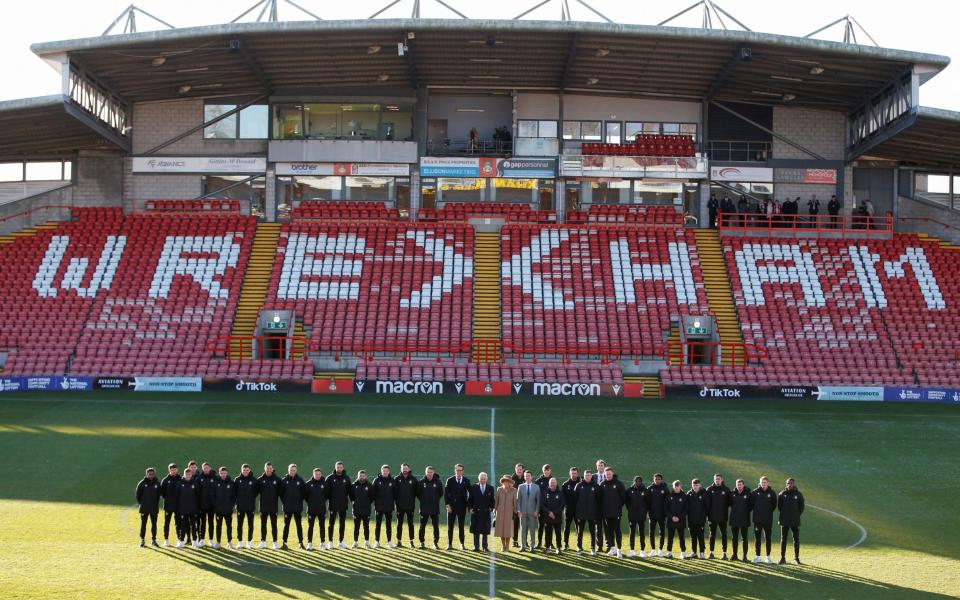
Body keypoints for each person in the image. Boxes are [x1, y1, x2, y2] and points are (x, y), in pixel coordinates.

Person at [598, 467, 626, 557]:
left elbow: (623, 498)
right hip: (606, 513)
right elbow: (600, 498)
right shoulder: (602, 484)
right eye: (606, 475)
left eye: (609, 474)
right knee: (608, 531)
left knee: (617, 530)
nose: (608, 476)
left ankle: (619, 550)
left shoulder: (619, 484)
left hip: (616, 512)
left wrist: (617, 507)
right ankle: (612, 548)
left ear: (612, 473)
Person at [778, 478, 805, 564]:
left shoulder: (798, 494)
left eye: (791, 483)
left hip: (795, 520)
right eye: (788, 483)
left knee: (796, 539)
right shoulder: (782, 494)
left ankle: (796, 558)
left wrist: (796, 515)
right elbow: (780, 507)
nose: (789, 485)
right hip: (784, 520)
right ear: (786, 484)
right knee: (783, 539)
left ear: (794, 484)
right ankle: (782, 558)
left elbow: (801, 507)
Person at [573, 468, 600, 556]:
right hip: (581, 513)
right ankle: (579, 547)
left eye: (589, 475)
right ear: (583, 476)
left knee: (592, 531)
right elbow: (575, 500)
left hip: (592, 513)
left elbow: (598, 499)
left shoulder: (595, 486)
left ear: (591, 476)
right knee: (580, 531)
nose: (587, 477)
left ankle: (592, 548)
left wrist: (596, 512)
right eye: (586, 475)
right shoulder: (579, 485)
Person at [325, 461, 352, 549]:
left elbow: (349, 491)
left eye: (341, 467)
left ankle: (341, 542)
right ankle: (330, 542)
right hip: (333, 505)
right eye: (338, 467)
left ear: (343, 468)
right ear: (335, 467)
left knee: (342, 523)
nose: (339, 469)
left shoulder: (346, 478)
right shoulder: (330, 478)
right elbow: (326, 492)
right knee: (331, 524)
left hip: (343, 505)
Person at [444, 463, 470, 550]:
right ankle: (449, 544)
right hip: (451, 507)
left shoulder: (466, 480)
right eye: (457, 470)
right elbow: (446, 494)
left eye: (460, 470)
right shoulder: (450, 480)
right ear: (455, 470)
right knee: (450, 526)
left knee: (461, 526)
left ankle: (462, 544)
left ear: (463, 471)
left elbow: (471, 493)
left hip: (462, 507)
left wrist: (468, 505)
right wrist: (447, 505)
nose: (458, 472)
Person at [280, 464, 306, 550]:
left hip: (298, 508)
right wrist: (286, 502)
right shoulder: (284, 481)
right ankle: (284, 543)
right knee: (286, 525)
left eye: (294, 470)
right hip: (287, 508)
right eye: (291, 470)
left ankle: (301, 543)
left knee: (299, 525)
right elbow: (281, 494)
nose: (292, 472)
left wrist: (298, 501)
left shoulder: (300, 480)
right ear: (288, 470)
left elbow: (304, 493)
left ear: (296, 470)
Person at [417, 466, 444, 549]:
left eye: (431, 472)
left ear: (433, 473)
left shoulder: (438, 482)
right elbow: (418, 494)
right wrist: (424, 500)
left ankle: (435, 543)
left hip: (434, 508)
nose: (429, 474)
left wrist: (434, 500)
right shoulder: (421, 482)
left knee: (435, 526)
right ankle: (422, 542)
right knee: (422, 526)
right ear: (425, 472)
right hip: (424, 508)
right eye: (428, 472)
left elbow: (441, 493)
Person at [752, 476, 777, 564]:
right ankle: (758, 556)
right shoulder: (755, 492)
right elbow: (751, 504)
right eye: (762, 482)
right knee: (757, 538)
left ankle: (768, 557)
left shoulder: (772, 493)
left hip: (768, 520)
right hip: (757, 520)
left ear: (768, 483)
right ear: (760, 483)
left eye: (765, 482)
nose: (764, 484)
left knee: (768, 538)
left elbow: (774, 505)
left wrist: (767, 512)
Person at [706, 473, 731, 559]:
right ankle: (711, 553)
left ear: (722, 480)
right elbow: (707, 503)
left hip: (723, 516)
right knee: (712, 534)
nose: (717, 480)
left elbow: (729, 503)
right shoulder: (709, 489)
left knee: (723, 534)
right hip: (711, 517)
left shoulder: (726, 490)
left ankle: (724, 553)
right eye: (716, 479)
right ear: (714, 480)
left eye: (719, 479)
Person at [257, 462, 281, 549]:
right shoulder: (260, 479)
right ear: (265, 469)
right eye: (267, 468)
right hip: (263, 506)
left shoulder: (277, 480)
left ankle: (275, 542)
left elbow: (280, 492)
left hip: (273, 506)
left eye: (270, 468)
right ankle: (263, 541)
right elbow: (257, 491)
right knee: (263, 525)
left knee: (274, 525)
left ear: (272, 468)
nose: (269, 470)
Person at [625, 475, 651, 557]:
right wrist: (630, 510)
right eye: (636, 481)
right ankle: (632, 550)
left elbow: (648, 502)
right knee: (632, 533)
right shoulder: (629, 490)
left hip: (641, 515)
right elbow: (627, 501)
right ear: (634, 481)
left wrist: (644, 511)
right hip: (632, 515)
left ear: (641, 482)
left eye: (639, 481)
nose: (638, 482)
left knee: (641, 533)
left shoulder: (645, 490)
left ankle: (642, 550)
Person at [135, 467, 161, 547]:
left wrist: (155, 503)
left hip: (154, 508)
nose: (151, 476)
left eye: (152, 474)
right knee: (143, 524)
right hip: (144, 508)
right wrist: (142, 503)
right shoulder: (142, 483)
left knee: (154, 524)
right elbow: (138, 495)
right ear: (146, 474)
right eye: (149, 474)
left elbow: (159, 494)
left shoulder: (157, 483)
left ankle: (154, 540)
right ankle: (142, 540)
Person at [394, 463, 418, 548]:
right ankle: (399, 541)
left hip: (410, 506)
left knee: (410, 524)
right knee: (399, 524)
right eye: (403, 468)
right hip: (399, 506)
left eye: (406, 468)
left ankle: (411, 541)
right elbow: (394, 493)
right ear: (401, 469)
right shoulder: (397, 479)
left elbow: (416, 492)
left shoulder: (414, 479)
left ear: (409, 469)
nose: (404, 470)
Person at [234, 464, 258, 549]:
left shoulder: (254, 480)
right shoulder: (237, 480)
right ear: (241, 470)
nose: (245, 472)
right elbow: (235, 492)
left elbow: (256, 492)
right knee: (239, 525)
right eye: (244, 470)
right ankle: (240, 542)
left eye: (247, 470)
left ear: (249, 470)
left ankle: (249, 542)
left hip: (250, 506)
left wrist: (250, 499)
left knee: (250, 525)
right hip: (240, 507)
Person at [175, 468, 201, 549]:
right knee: (183, 526)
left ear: (191, 475)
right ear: (184, 475)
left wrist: (197, 507)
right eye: (187, 474)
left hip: (193, 509)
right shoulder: (180, 483)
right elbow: (177, 497)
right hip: (183, 509)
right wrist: (179, 507)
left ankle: (194, 542)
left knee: (194, 525)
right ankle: (181, 541)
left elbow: (198, 496)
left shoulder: (195, 483)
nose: (188, 476)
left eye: (189, 474)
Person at [469, 472, 495, 551]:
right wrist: (470, 508)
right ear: (479, 479)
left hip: (485, 512)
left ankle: (485, 547)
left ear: (486, 479)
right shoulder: (473, 487)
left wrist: (491, 507)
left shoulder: (490, 488)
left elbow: (492, 500)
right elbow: (470, 499)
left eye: (484, 479)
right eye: (481, 479)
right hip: (476, 512)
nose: (482, 480)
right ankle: (476, 546)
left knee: (485, 530)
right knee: (475, 530)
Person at [516, 470, 540, 552]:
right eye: (525, 476)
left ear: (531, 477)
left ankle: (532, 546)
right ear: (524, 477)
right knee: (523, 529)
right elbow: (518, 500)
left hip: (533, 512)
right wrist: (519, 510)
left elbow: (538, 501)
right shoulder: (521, 486)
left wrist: (537, 511)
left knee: (532, 530)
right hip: (522, 512)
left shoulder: (536, 487)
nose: (527, 477)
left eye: (528, 476)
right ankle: (522, 546)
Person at [729, 478, 752, 562]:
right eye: (738, 484)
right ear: (736, 485)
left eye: (741, 484)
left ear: (743, 485)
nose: (739, 486)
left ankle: (745, 556)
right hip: (734, 518)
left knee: (744, 538)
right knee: (734, 538)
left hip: (744, 519)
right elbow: (730, 503)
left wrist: (744, 511)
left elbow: (751, 505)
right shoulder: (732, 493)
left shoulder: (748, 493)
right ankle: (734, 555)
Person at [373, 465, 396, 548]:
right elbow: (372, 493)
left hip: (389, 507)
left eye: (386, 471)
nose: (385, 472)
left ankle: (389, 542)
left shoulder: (392, 481)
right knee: (378, 525)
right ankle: (376, 542)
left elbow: (395, 494)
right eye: (383, 471)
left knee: (388, 525)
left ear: (389, 471)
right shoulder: (376, 480)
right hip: (379, 507)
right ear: (381, 471)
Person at [540, 477, 565, 554]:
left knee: (558, 533)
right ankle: (547, 547)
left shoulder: (560, 493)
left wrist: (554, 513)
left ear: (556, 483)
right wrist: (549, 512)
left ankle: (558, 548)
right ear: (549, 484)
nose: (553, 484)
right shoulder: (544, 493)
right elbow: (542, 505)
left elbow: (562, 505)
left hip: (557, 517)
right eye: (551, 483)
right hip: (547, 516)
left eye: (554, 483)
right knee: (548, 533)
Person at [213, 466, 236, 549]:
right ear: (219, 473)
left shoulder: (231, 483)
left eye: (224, 473)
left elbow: (234, 497)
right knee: (218, 526)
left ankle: (229, 542)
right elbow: (213, 496)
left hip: (228, 510)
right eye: (221, 473)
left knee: (229, 526)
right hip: (219, 510)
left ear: (227, 473)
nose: (223, 475)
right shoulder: (216, 483)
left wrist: (231, 506)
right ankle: (218, 542)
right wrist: (216, 506)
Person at [304, 468, 327, 551]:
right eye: (316, 474)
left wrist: (321, 502)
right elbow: (306, 496)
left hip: (321, 509)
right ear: (313, 474)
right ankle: (309, 543)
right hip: (311, 509)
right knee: (310, 526)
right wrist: (311, 502)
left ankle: (322, 543)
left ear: (321, 474)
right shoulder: (308, 484)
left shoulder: (324, 483)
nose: (317, 476)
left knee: (322, 526)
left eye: (319, 474)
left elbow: (327, 495)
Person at [687, 479, 710, 559]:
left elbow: (707, 507)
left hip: (700, 520)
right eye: (694, 485)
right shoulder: (689, 494)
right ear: (692, 486)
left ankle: (702, 553)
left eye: (697, 485)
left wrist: (703, 516)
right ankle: (694, 552)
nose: (695, 487)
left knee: (700, 536)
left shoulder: (704, 494)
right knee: (693, 537)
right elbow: (687, 507)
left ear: (699, 485)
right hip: (691, 519)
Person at [350, 470, 374, 548]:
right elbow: (351, 497)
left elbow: (372, 497)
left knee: (366, 527)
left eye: (363, 476)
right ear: (358, 476)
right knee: (356, 527)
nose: (362, 477)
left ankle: (367, 543)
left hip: (366, 510)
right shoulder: (353, 485)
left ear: (365, 476)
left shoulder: (369, 485)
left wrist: (366, 504)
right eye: (360, 476)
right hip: (356, 510)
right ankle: (355, 542)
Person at [159, 463, 182, 547]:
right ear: (169, 470)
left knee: (178, 523)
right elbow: (162, 493)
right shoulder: (165, 480)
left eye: (174, 469)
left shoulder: (180, 478)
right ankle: (166, 540)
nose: (173, 471)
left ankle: (179, 540)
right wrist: (169, 499)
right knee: (167, 522)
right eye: (171, 470)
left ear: (177, 470)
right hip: (168, 505)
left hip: (178, 506)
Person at [195, 462, 217, 547]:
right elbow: (196, 491)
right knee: (202, 523)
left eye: (207, 468)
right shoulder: (199, 478)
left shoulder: (214, 477)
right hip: (202, 505)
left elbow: (216, 490)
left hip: (211, 505)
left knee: (211, 523)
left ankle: (211, 540)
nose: (206, 469)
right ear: (202, 469)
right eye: (205, 468)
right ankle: (202, 539)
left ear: (210, 468)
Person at [494, 474, 517, 552]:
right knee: (501, 530)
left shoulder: (514, 490)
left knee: (508, 530)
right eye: (504, 481)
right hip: (500, 512)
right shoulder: (499, 489)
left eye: (507, 481)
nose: (505, 482)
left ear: (509, 482)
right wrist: (495, 509)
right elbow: (496, 501)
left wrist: (515, 512)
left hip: (509, 512)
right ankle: (503, 545)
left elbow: (515, 502)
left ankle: (507, 546)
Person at [665, 480, 687, 559]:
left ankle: (683, 553)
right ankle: (669, 552)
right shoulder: (669, 496)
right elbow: (666, 509)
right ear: (673, 487)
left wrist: (679, 517)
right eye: (675, 486)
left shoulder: (684, 496)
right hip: (671, 520)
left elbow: (686, 509)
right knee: (670, 537)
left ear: (680, 487)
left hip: (681, 520)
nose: (677, 488)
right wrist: (672, 517)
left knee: (682, 537)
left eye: (678, 486)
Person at [647, 473, 668, 556]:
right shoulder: (650, 488)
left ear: (661, 480)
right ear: (653, 480)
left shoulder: (665, 489)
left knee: (662, 532)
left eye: (659, 479)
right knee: (651, 532)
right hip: (652, 514)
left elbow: (667, 502)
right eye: (656, 479)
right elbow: (647, 502)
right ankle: (653, 550)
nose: (657, 480)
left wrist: (666, 513)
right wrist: (648, 512)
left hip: (662, 515)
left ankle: (660, 550)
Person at [560, 467, 580, 550]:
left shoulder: (581, 484)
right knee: (567, 527)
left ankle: (579, 545)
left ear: (577, 473)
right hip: (568, 510)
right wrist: (566, 506)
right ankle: (566, 544)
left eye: (575, 473)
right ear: (569, 474)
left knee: (579, 528)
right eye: (572, 473)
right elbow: (563, 498)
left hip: (578, 510)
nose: (574, 475)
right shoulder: (565, 484)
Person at [534, 464, 552, 548]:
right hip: (541, 508)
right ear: (543, 471)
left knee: (550, 526)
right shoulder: (538, 481)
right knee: (541, 526)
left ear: (550, 471)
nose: (546, 472)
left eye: (548, 470)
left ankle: (549, 543)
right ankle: (539, 543)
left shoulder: (553, 480)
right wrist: (536, 509)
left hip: (550, 508)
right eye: (545, 471)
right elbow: (535, 496)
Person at [593, 460, 607, 549]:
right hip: (596, 506)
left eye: (602, 465)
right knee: (598, 527)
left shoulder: (608, 476)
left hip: (606, 505)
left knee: (607, 527)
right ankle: (599, 546)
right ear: (596, 467)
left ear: (604, 467)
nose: (600, 467)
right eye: (599, 465)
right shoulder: (593, 477)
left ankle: (609, 546)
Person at [510, 463, 524, 547]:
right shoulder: (512, 479)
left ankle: (524, 541)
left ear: (523, 470)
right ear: (515, 470)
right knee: (515, 523)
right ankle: (514, 540)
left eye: (520, 469)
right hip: (514, 505)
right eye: (517, 469)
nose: (519, 471)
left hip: (524, 504)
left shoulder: (526, 477)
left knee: (525, 523)